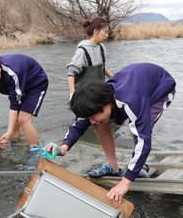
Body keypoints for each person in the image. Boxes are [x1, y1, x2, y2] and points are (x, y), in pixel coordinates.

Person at [46, 63, 175, 207]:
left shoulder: (131, 101)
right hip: (135, 87)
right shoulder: (95, 102)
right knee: (99, 123)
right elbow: (78, 125)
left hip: (159, 89)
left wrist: (125, 183)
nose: (91, 120)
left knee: (137, 130)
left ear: (106, 105)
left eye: (93, 116)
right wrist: (63, 148)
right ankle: (113, 166)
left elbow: (144, 140)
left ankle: (141, 165)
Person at [67, 17, 113, 101]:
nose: (107, 35)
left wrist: (114, 78)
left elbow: (102, 67)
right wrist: (72, 93)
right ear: (96, 31)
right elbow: (71, 73)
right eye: (105, 32)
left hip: (99, 93)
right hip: (85, 97)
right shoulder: (82, 50)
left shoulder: (102, 47)